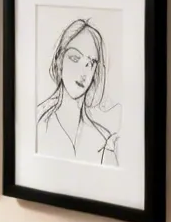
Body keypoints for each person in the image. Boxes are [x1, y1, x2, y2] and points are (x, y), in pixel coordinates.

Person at [35, 18, 120, 166]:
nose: (83, 73)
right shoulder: (38, 124)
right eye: (75, 58)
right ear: (59, 60)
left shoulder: (103, 141)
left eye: (91, 63)